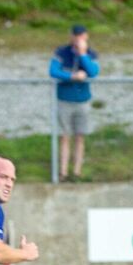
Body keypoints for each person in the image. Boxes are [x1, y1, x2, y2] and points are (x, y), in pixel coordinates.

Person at [49, 25, 99, 181]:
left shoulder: (90, 54)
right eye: (75, 36)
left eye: (81, 36)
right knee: (65, 136)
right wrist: (72, 76)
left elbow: (93, 71)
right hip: (65, 99)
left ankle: (77, 171)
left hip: (82, 100)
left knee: (80, 136)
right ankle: (62, 171)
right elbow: (53, 71)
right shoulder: (61, 53)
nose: (78, 39)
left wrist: (83, 54)